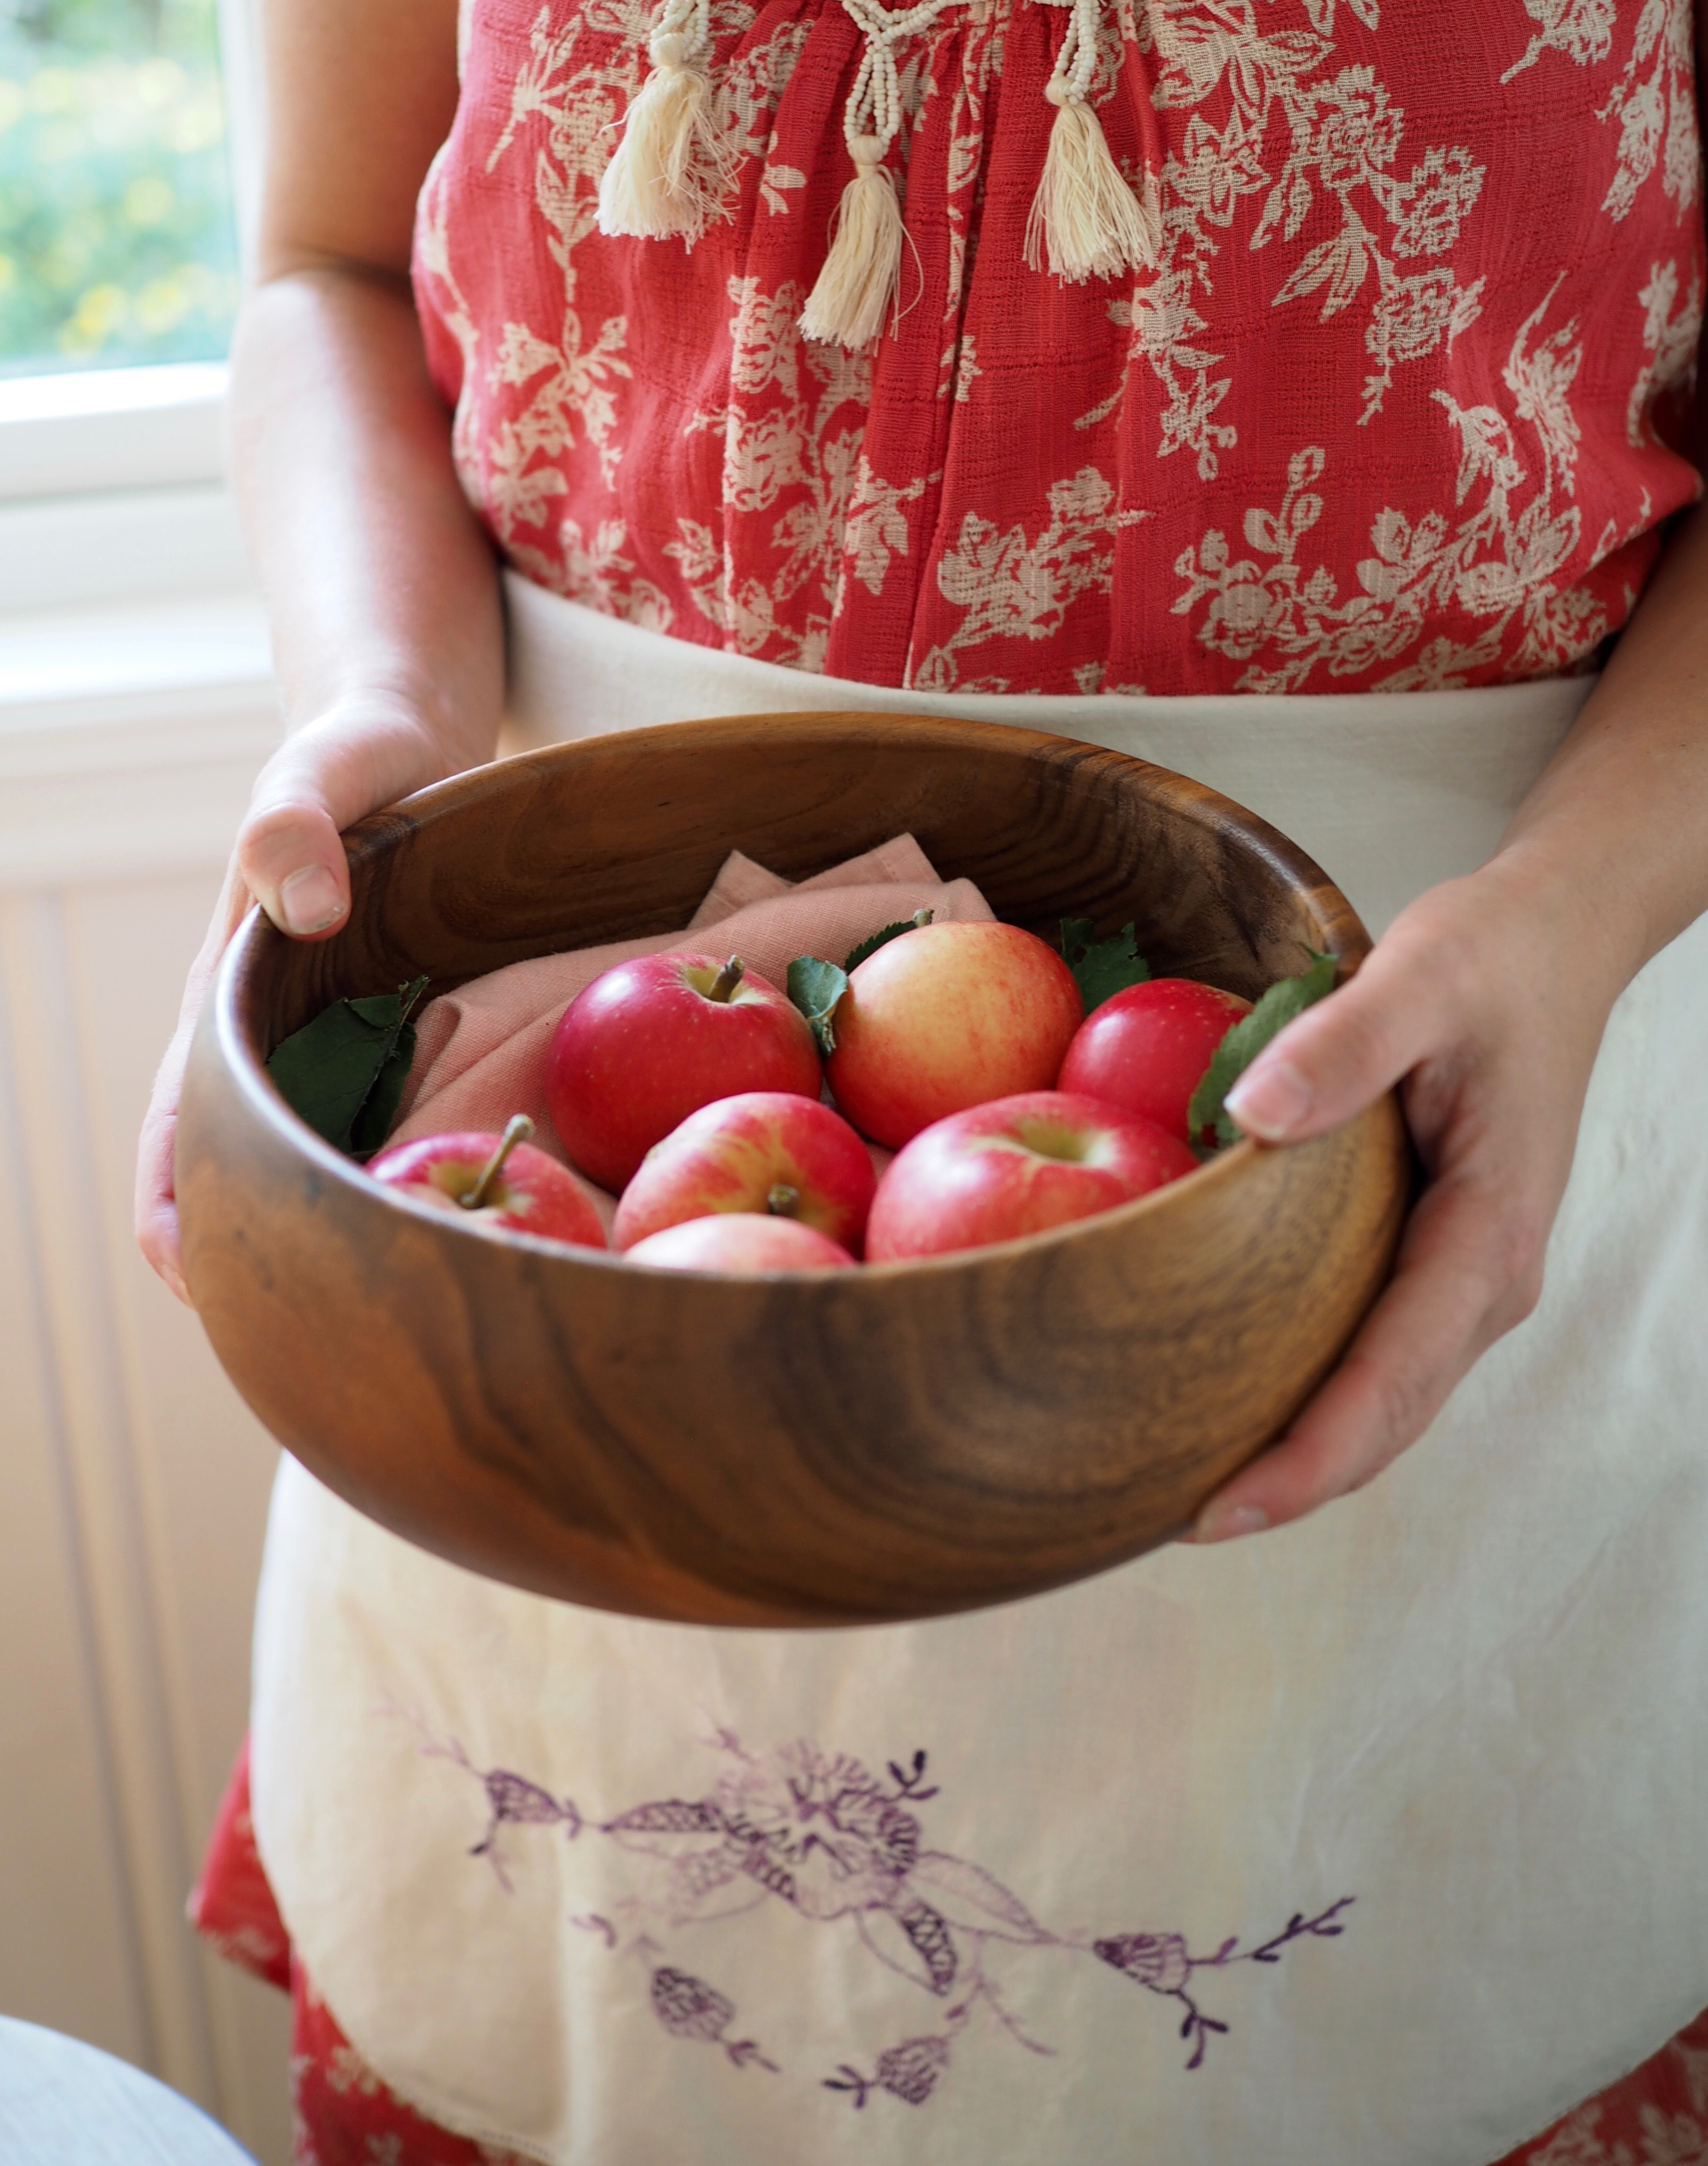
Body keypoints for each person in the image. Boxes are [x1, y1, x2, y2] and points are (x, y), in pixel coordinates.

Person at [141, 0, 1708, 2158]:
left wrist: (1569, 916)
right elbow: (324, 264)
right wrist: (379, 714)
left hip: (1423, 1097)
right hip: (568, 1143)